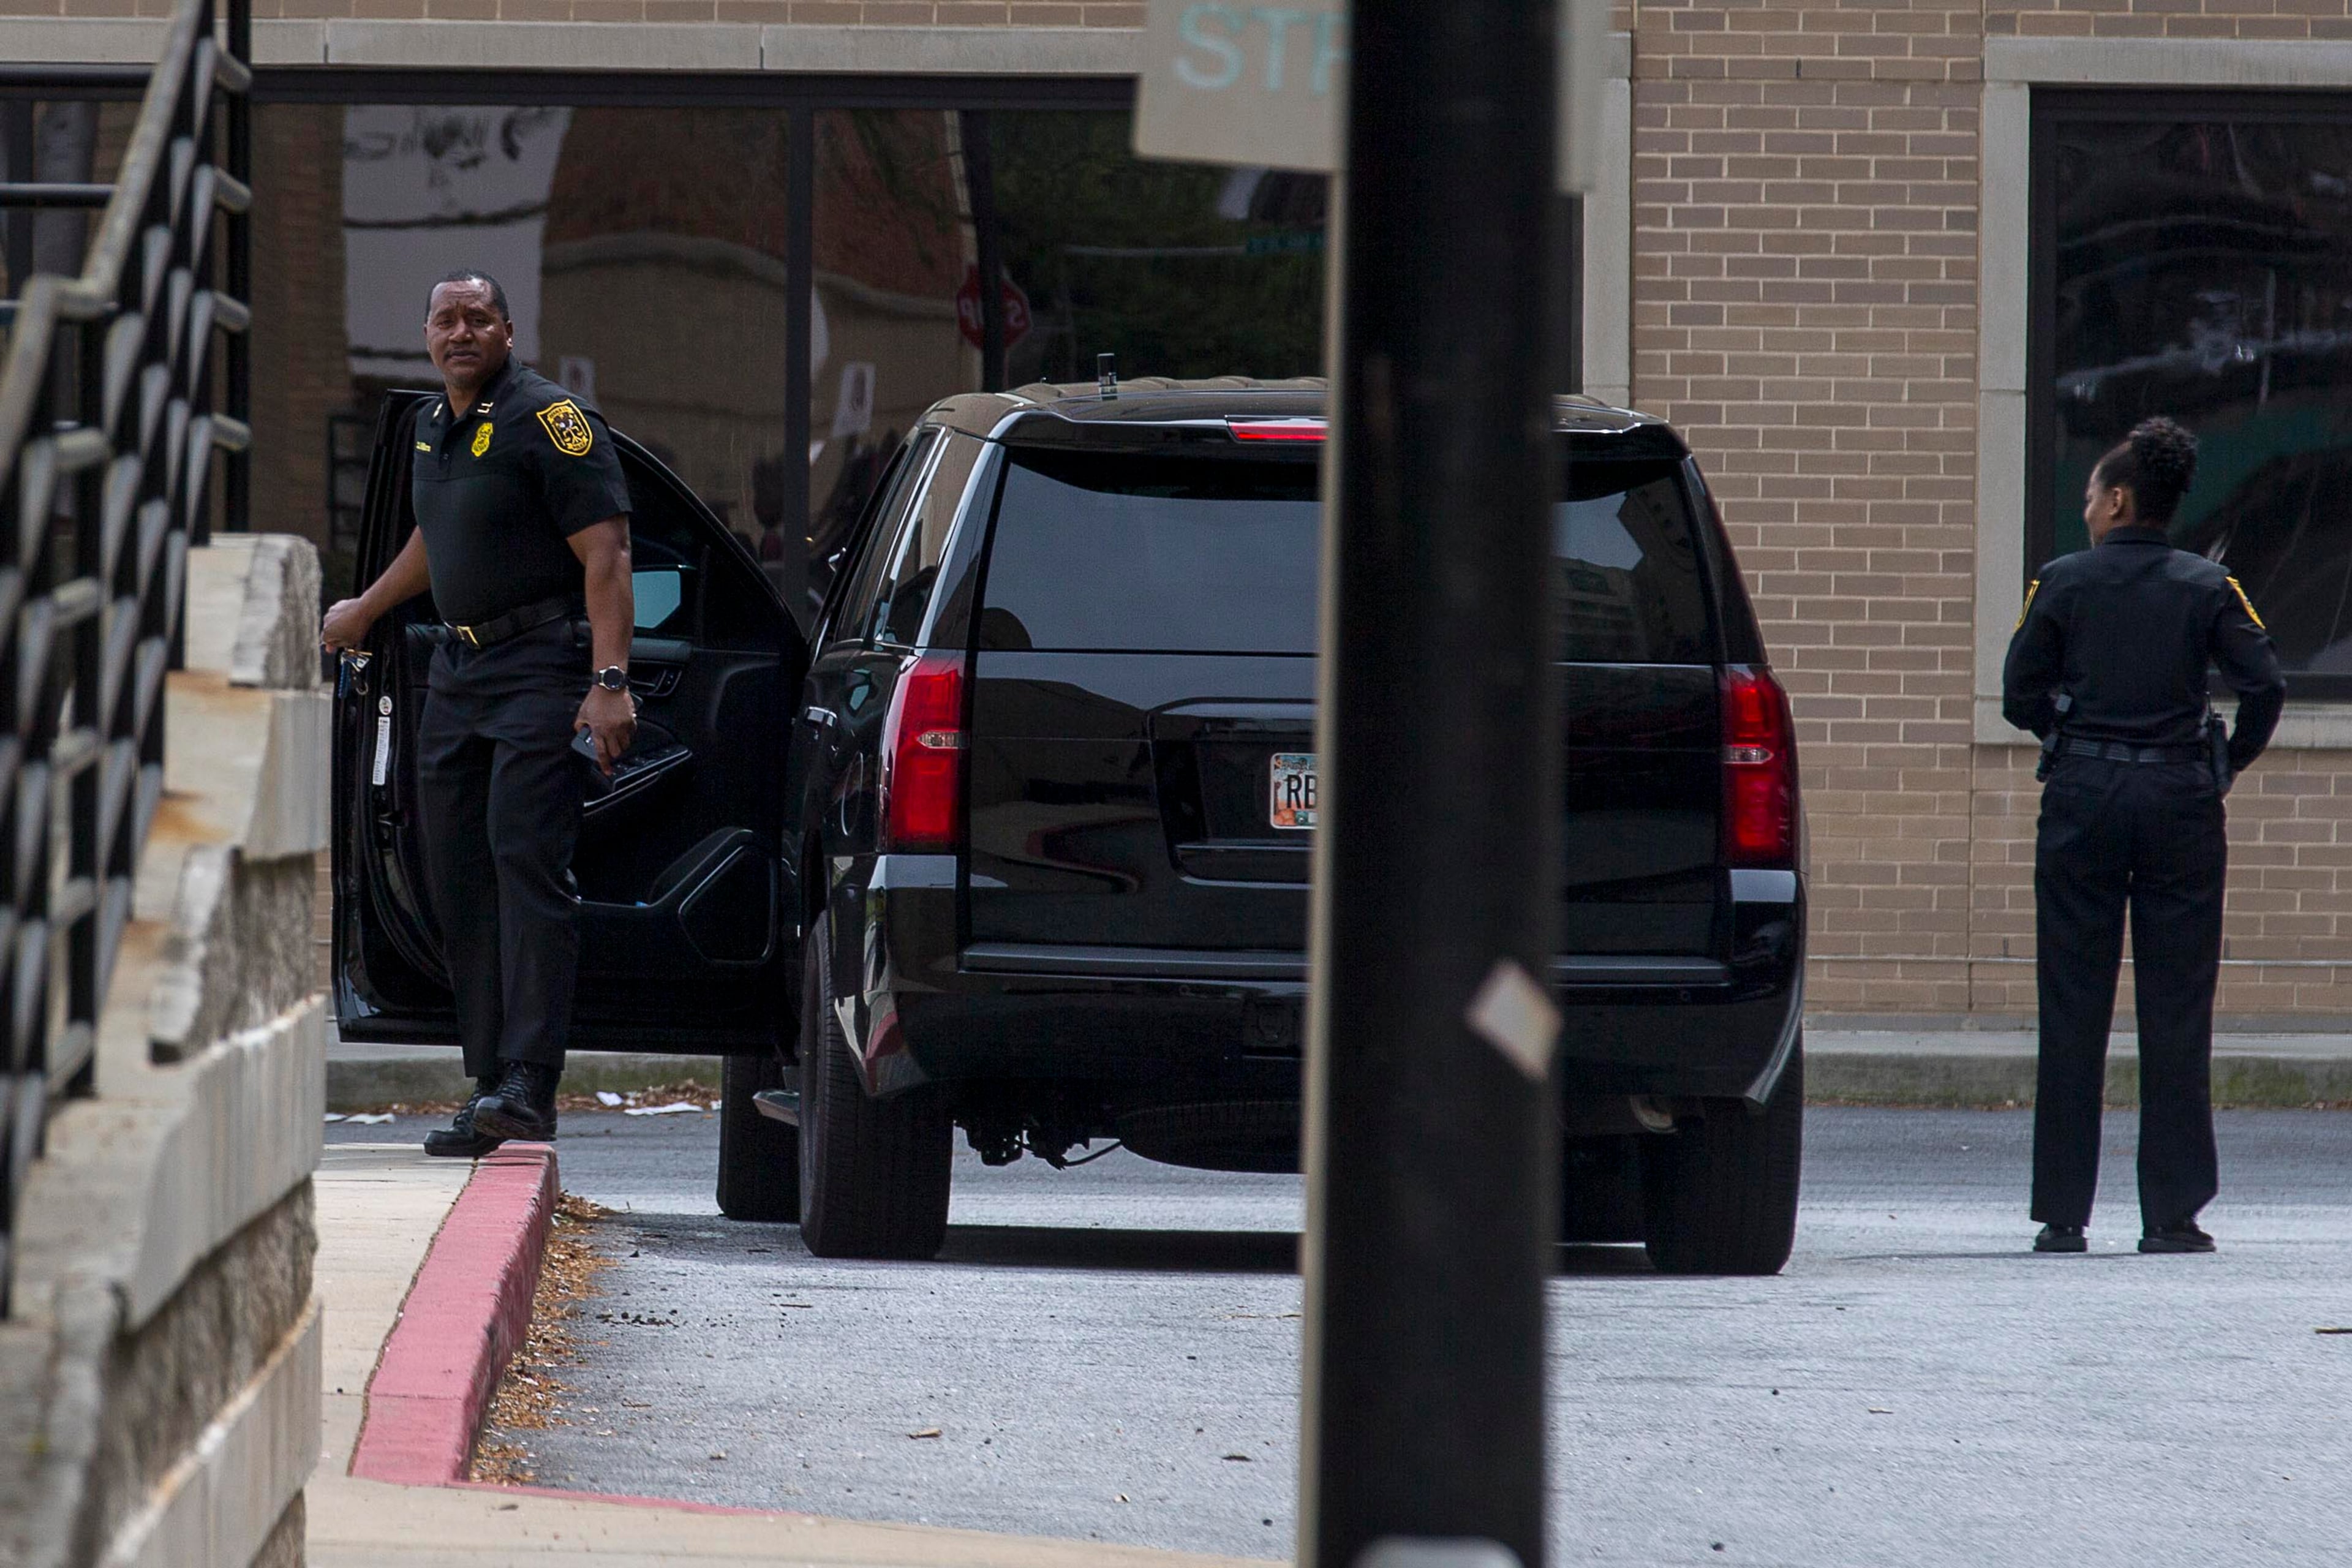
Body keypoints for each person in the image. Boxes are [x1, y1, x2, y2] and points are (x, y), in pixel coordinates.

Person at [321, 270, 636, 1156]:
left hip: (539, 664)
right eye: (444, 319)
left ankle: (531, 1082)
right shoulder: (431, 427)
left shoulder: (551, 421)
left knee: (523, 861)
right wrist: (369, 609)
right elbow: (437, 536)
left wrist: (609, 684)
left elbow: (607, 555)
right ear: (426, 335)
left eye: (476, 318)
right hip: (455, 669)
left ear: (506, 329)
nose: (459, 332)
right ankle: (489, 1084)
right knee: (457, 872)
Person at [2003, 417, 2285, 1256]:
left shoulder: (2060, 582)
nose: (2086, 504)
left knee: (2072, 1004)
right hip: (2179, 800)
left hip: (2085, 797)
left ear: (2120, 500)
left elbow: (2021, 694)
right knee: (2176, 1008)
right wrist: (2226, 760)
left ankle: (2063, 1215)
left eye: (2092, 492)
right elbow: (2263, 685)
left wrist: (2069, 728)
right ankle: (2172, 1215)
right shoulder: (2209, 587)